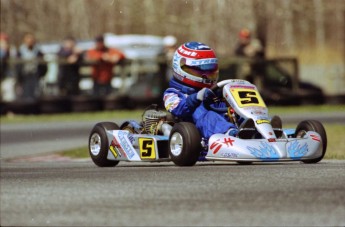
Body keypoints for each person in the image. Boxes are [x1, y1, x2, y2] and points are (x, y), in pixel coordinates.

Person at [163, 42, 238, 140]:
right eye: (200, 70)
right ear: (181, 68)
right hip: (193, 131)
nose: (207, 75)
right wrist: (196, 97)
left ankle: (255, 130)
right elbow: (179, 109)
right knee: (205, 113)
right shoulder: (171, 93)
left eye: (210, 70)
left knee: (234, 109)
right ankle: (228, 134)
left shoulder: (212, 91)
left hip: (218, 123)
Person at [16, 32, 47, 100]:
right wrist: (19, 76)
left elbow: (44, 65)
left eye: (31, 40)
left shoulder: (39, 52)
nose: (30, 41)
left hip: (35, 75)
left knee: (35, 93)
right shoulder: (20, 51)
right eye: (28, 39)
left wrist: (40, 74)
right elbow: (17, 65)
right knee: (25, 93)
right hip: (24, 75)